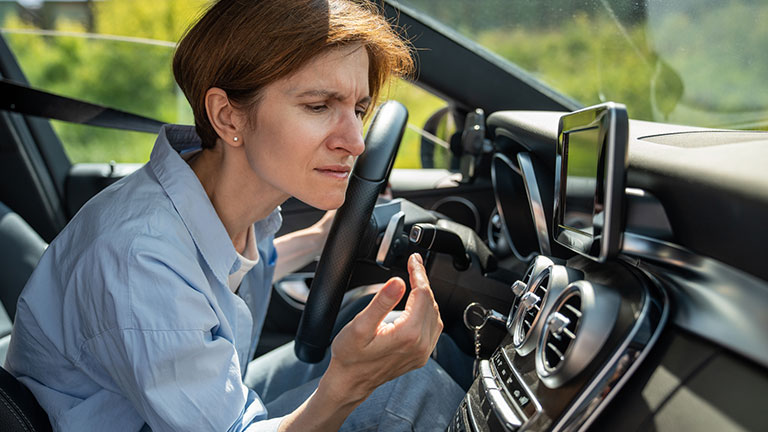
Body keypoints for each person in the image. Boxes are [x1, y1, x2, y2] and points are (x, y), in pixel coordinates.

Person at [4, 0, 465, 431]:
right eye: (319, 106)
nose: (356, 141)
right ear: (227, 117)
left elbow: (218, 278)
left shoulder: (219, 203)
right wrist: (349, 384)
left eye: (359, 109)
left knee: (396, 336)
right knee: (409, 390)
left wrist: (318, 240)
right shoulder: (139, 259)